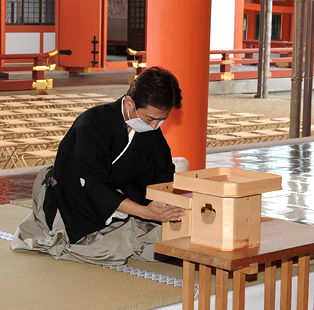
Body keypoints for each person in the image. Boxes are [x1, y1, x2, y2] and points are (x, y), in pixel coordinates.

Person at [11, 67, 185, 265]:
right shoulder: (93, 123)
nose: (154, 126)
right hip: (74, 199)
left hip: (117, 200)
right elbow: (93, 184)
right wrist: (145, 212)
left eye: (162, 120)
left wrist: (160, 203)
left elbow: (161, 172)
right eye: (150, 118)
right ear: (130, 103)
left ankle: (125, 228)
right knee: (111, 253)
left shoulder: (150, 131)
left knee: (171, 241)